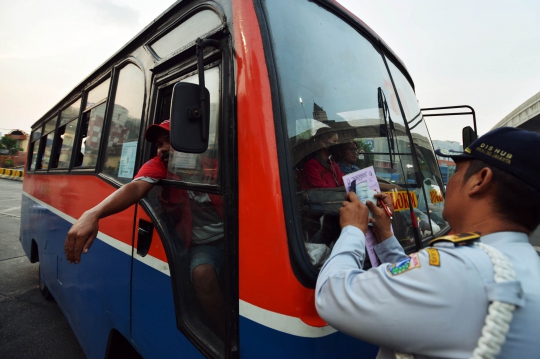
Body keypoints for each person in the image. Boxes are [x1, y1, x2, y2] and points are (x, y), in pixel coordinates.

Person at [315, 127, 540, 358]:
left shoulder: (457, 268)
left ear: (479, 180)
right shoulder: (523, 262)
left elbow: (330, 296)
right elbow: (416, 280)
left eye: (457, 172)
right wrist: (386, 236)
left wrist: (353, 229)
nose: (449, 183)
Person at [64, 119, 226, 338]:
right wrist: (93, 213)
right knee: (202, 273)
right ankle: (223, 335)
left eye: (169, 141)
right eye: (159, 144)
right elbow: (135, 187)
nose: (162, 149)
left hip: (238, 237)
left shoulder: (215, 165)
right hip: (203, 245)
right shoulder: (159, 166)